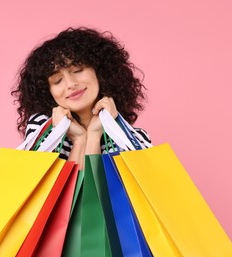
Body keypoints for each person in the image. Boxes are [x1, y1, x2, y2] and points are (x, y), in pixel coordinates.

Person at [12, 27, 151, 168]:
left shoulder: (133, 139)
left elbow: (97, 190)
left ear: (99, 71)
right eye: (57, 80)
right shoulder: (42, 127)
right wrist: (79, 140)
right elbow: (64, 190)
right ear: (47, 91)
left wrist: (94, 136)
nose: (71, 84)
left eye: (77, 70)